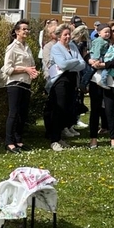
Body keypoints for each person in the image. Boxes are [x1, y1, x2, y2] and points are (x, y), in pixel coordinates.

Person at [88, 23, 114, 149]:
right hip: (96, 80)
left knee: (110, 110)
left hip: (112, 81)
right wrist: (90, 60)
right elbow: (88, 53)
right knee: (95, 110)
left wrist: (103, 65)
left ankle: (113, 138)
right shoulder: (101, 41)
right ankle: (93, 138)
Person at [44, 23, 85, 151]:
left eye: (69, 34)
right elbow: (62, 65)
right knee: (58, 109)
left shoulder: (72, 46)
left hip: (72, 80)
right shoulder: (56, 48)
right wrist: (75, 61)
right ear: (59, 36)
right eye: (65, 35)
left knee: (67, 109)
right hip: (60, 81)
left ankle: (60, 137)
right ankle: (54, 140)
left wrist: (71, 63)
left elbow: (83, 64)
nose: (67, 37)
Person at [1, 19, 38, 153]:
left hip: (26, 83)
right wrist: (25, 69)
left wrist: (33, 71)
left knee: (22, 113)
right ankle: (9, 142)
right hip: (15, 83)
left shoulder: (27, 47)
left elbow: (31, 64)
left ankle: (18, 140)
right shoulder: (12, 48)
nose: (26, 31)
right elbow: (8, 69)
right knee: (14, 113)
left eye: (28, 29)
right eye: (24, 29)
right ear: (17, 31)